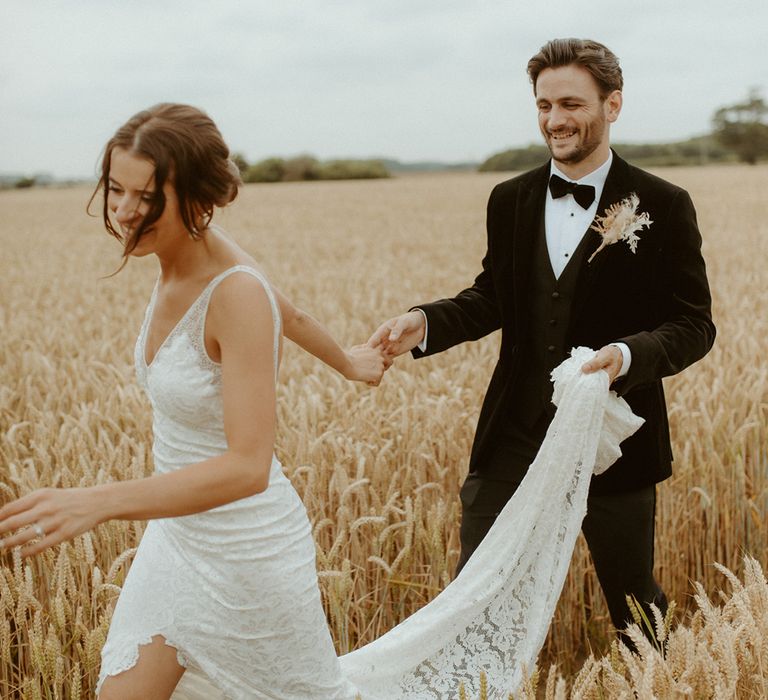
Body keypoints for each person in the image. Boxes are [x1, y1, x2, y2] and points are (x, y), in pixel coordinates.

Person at [0, 103, 382, 699]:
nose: (124, 211)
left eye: (147, 196)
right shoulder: (202, 251)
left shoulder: (234, 293)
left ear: (197, 197)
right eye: (115, 189)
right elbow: (293, 313)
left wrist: (97, 502)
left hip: (249, 559)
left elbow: (248, 467)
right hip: (178, 542)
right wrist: (349, 362)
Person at [369, 38, 716, 642]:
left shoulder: (663, 203)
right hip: (516, 430)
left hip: (615, 435)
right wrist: (423, 323)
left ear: (613, 105)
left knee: (633, 605)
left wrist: (628, 356)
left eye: (571, 104)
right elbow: (492, 298)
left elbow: (693, 324)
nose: (554, 120)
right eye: (543, 105)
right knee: (471, 593)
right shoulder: (511, 199)